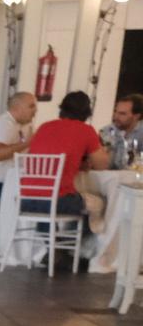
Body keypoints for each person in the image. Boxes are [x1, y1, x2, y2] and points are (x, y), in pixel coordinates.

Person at [23, 89, 110, 231]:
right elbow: (102, 165)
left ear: (62, 108)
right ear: (87, 112)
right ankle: (85, 246)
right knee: (98, 203)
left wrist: (78, 164)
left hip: (26, 198)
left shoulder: (44, 127)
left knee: (54, 198)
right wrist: (105, 152)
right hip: (58, 202)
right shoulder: (86, 130)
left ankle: (50, 245)